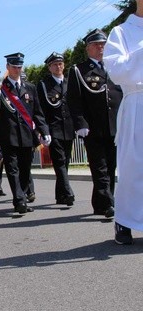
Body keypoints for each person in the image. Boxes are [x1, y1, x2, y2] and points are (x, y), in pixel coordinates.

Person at [67, 29, 123, 219]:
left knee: (110, 165)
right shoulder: (79, 70)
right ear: (88, 48)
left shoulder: (114, 67)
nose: (101, 48)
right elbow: (74, 101)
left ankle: (100, 203)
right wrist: (80, 123)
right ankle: (108, 204)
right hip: (92, 128)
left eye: (103, 44)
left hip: (114, 127)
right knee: (100, 168)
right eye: (97, 44)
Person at [0, 53, 51, 214]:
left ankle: (21, 195)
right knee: (12, 169)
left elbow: (37, 112)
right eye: (14, 67)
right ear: (7, 68)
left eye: (19, 67)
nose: (17, 69)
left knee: (25, 169)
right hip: (9, 136)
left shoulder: (30, 87)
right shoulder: (0, 88)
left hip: (27, 136)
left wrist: (44, 131)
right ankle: (19, 201)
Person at [104, 3, 143, 245]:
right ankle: (125, 221)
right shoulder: (121, 32)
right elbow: (116, 71)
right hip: (137, 102)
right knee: (133, 167)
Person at [36, 52, 76, 206]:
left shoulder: (69, 83)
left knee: (65, 162)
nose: (58, 67)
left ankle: (60, 196)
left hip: (69, 129)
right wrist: (43, 130)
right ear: (49, 67)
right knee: (59, 162)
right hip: (54, 129)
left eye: (60, 63)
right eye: (54, 64)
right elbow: (41, 110)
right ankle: (68, 192)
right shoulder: (44, 85)